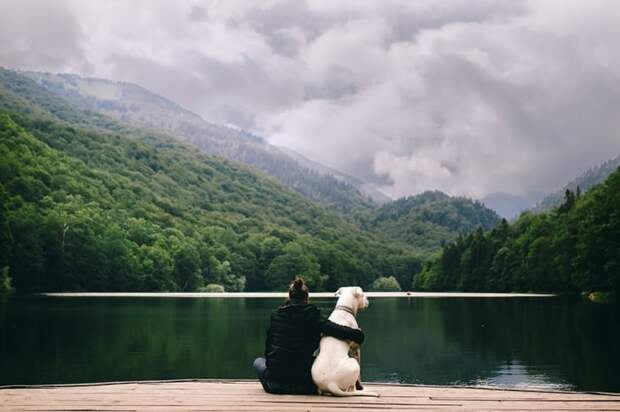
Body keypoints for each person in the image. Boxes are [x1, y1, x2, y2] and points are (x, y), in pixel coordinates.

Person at [253, 277, 365, 395]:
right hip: (304, 383)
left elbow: (268, 349)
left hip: (275, 384)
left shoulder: (276, 316)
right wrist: (358, 334)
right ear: (307, 297)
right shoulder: (313, 316)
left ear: (289, 296)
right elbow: (338, 330)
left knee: (258, 361)